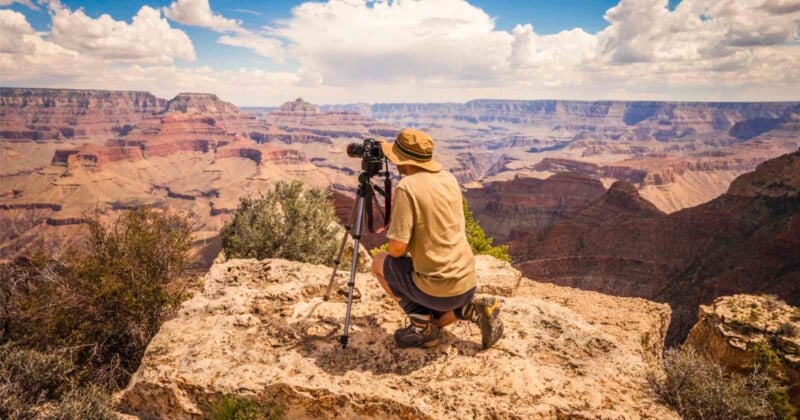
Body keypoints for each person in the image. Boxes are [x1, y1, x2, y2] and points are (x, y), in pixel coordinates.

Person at [372, 128, 504, 349]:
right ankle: (471, 309)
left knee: (379, 263)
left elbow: (396, 250)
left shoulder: (407, 187)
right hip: (467, 284)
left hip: (436, 291)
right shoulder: (449, 178)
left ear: (404, 159)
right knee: (437, 320)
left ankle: (421, 330)